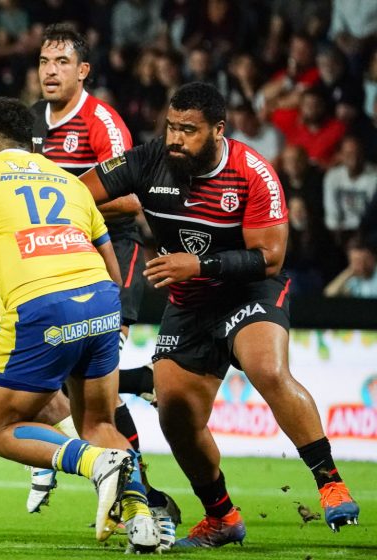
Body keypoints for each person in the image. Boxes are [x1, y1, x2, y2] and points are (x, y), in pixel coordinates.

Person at [78, 82, 360, 545]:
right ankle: (222, 518)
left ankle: (329, 481)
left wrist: (199, 263)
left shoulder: (253, 173)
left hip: (249, 291)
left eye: (188, 130)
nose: (175, 139)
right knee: (176, 416)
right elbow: (77, 193)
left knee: (266, 367)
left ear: (217, 131)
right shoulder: (149, 161)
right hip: (189, 304)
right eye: (171, 127)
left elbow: (270, 257)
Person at [0, 97, 160, 553]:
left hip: (40, 307)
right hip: (100, 300)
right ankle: (142, 521)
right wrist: (111, 319)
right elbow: (110, 256)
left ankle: (93, 464)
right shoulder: (69, 181)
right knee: (97, 420)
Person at [28, 23, 175, 528]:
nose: (51, 71)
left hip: (112, 250)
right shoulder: (33, 123)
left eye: (62, 62)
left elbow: (137, 197)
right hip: (56, 259)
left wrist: (69, 197)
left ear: (82, 70)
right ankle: (143, 397)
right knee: (83, 386)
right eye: (45, 62)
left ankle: (143, 491)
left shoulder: (101, 123)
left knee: (95, 384)